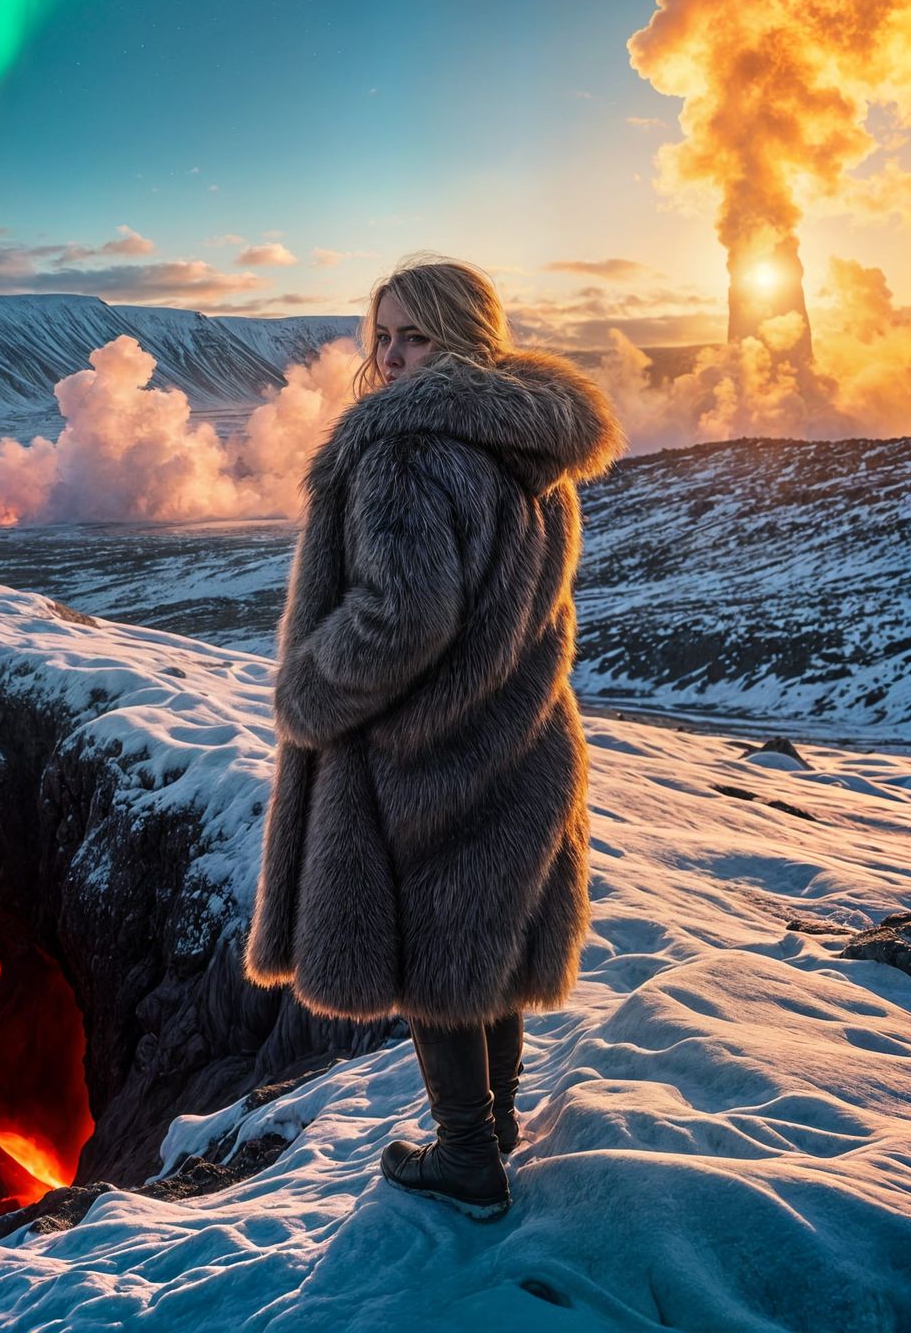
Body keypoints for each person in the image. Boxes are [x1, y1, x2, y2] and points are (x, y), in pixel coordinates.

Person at [243, 252, 625, 1221]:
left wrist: (309, 692)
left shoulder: (405, 449)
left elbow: (402, 616)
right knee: (479, 947)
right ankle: (490, 1128)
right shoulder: (532, 448)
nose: (390, 356)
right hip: (519, 738)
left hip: (426, 752)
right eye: (380, 335)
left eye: (414, 334)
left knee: (431, 959)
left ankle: (466, 1153)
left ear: (465, 336)